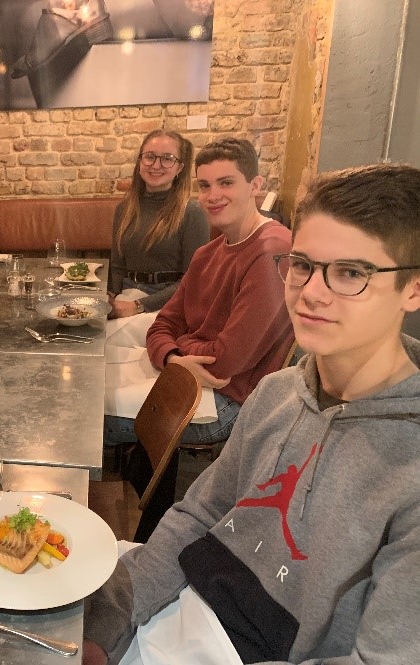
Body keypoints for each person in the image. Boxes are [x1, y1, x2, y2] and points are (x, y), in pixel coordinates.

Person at [84, 162, 420, 665]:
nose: (310, 292)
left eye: (351, 273)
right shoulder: (278, 393)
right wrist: (111, 618)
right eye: (302, 264)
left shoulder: (409, 469)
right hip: (177, 600)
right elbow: (199, 513)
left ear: (412, 290)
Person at [105, 137, 293, 541]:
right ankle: (133, 504)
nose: (213, 196)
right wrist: (173, 355)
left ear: (255, 185)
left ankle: (110, 526)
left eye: (226, 183)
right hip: (187, 375)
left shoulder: (271, 251)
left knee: (88, 416)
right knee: (92, 377)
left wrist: (177, 348)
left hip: (226, 400)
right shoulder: (210, 252)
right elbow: (163, 324)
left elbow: (224, 364)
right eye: (204, 186)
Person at [107, 129, 208, 317]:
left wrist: (138, 306)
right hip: (127, 296)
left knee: (112, 340)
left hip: (169, 303)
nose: (156, 165)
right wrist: (108, 298)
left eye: (167, 158)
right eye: (150, 157)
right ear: (140, 162)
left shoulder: (192, 212)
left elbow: (193, 280)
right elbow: (118, 267)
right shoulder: (124, 209)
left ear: (179, 168)